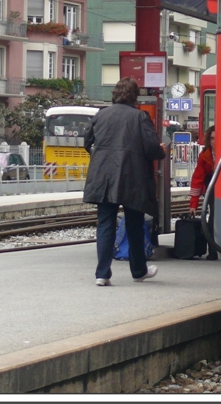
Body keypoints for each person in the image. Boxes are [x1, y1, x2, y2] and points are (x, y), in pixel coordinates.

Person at [83, 77, 167, 285]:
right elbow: (151, 148)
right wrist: (161, 151)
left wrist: (101, 158)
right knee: (134, 224)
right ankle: (138, 270)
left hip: (103, 176)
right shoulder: (140, 117)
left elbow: (87, 142)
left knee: (105, 224)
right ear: (134, 95)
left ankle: (102, 274)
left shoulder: (100, 115)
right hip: (132, 176)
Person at [189, 125, 218, 260]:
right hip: (212, 188)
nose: (214, 141)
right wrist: (193, 204)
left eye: (217, 138)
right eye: (212, 138)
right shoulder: (205, 155)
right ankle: (213, 251)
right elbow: (198, 178)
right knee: (212, 219)